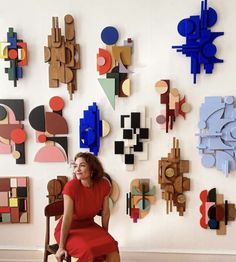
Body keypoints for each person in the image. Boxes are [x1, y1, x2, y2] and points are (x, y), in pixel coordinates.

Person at [54, 152, 120, 262]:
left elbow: (105, 212)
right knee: (89, 250)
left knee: (111, 245)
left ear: (92, 169)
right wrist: (61, 247)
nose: (77, 169)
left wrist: (104, 235)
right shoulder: (71, 186)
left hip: (89, 226)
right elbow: (67, 217)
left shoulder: (104, 185)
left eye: (82, 165)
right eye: (75, 166)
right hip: (70, 230)